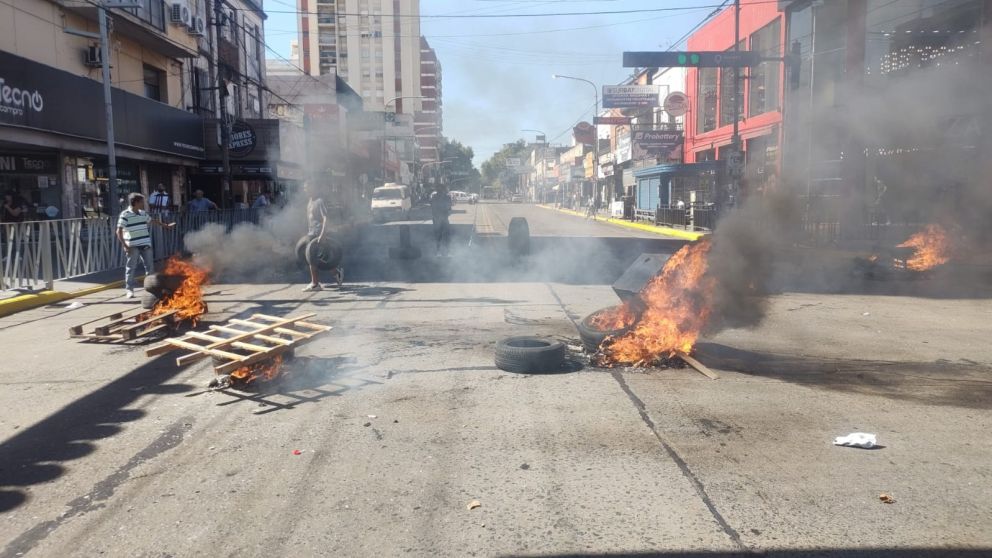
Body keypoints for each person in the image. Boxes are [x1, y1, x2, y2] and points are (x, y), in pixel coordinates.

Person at [116, 193, 175, 298]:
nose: (144, 204)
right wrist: (125, 245)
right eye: (142, 202)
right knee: (131, 268)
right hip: (132, 245)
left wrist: (166, 226)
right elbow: (118, 231)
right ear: (136, 202)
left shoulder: (143, 213)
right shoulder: (125, 214)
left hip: (145, 244)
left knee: (149, 268)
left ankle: (151, 289)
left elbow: (152, 221)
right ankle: (129, 290)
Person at [302, 181, 342, 292]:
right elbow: (311, 219)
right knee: (320, 258)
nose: (305, 190)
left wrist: (323, 234)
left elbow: (325, 218)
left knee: (312, 258)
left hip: (318, 233)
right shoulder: (310, 201)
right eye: (304, 188)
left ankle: (315, 284)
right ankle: (337, 273)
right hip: (311, 233)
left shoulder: (320, 201)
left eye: (307, 187)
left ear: (313, 188)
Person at [430, 184, 452, 256]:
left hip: (438, 218)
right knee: (444, 235)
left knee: (439, 235)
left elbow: (433, 207)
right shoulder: (447, 197)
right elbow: (449, 208)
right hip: (441, 218)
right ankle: (445, 251)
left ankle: (440, 251)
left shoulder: (434, 197)